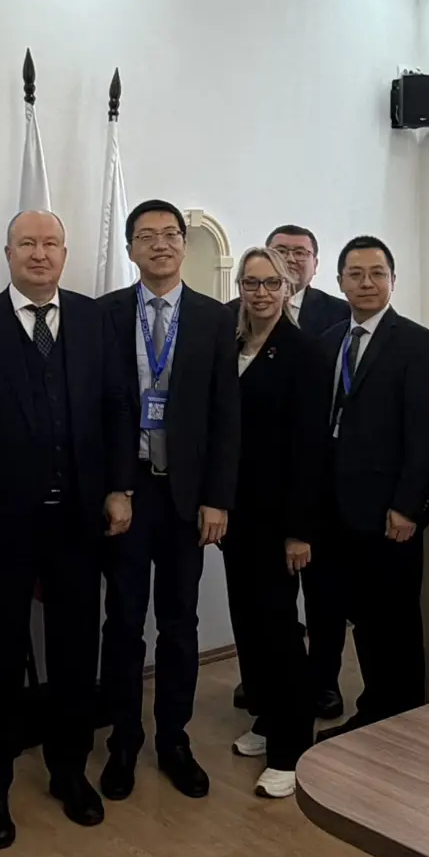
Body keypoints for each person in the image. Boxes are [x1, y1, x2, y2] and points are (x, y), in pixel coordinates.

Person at [0, 210, 135, 849]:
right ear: (7, 253)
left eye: (51, 243)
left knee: (76, 652)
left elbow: (118, 408)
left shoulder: (94, 319)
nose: (40, 253)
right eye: (27, 243)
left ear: (65, 253)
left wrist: (119, 487)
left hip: (79, 521)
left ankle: (69, 770)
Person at [98, 200, 240, 801]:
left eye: (170, 234)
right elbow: (98, 411)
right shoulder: (104, 314)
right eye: (146, 236)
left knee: (180, 623)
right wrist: (113, 487)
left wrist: (217, 498)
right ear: (131, 248)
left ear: (184, 244)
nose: (160, 244)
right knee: (124, 621)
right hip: (127, 492)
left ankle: (174, 739)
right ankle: (123, 739)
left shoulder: (213, 318)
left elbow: (225, 415)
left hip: (185, 495)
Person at [316, 236, 429, 735]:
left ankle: (402, 719)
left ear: (393, 280)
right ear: (340, 281)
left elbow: (425, 432)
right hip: (337, 509)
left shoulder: (416, 342)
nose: (366, 283)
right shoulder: (328, 341)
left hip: (391, 510)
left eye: (377, 273)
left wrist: (407, 505)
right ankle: (374, 713)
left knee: (395, 620)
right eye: (355, 274)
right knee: (362, 619)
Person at [223, 246, 329, 797]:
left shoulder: (304, 351)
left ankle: (292, 746)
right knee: (248, 623)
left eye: (271, 283)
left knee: (280, 628)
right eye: (251, 283)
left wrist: (299, 530)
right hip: (237, 514)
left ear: (288, 288)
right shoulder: (233, 344)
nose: (260, 293)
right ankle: (266, 719)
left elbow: (309, 449)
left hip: (281, 517)